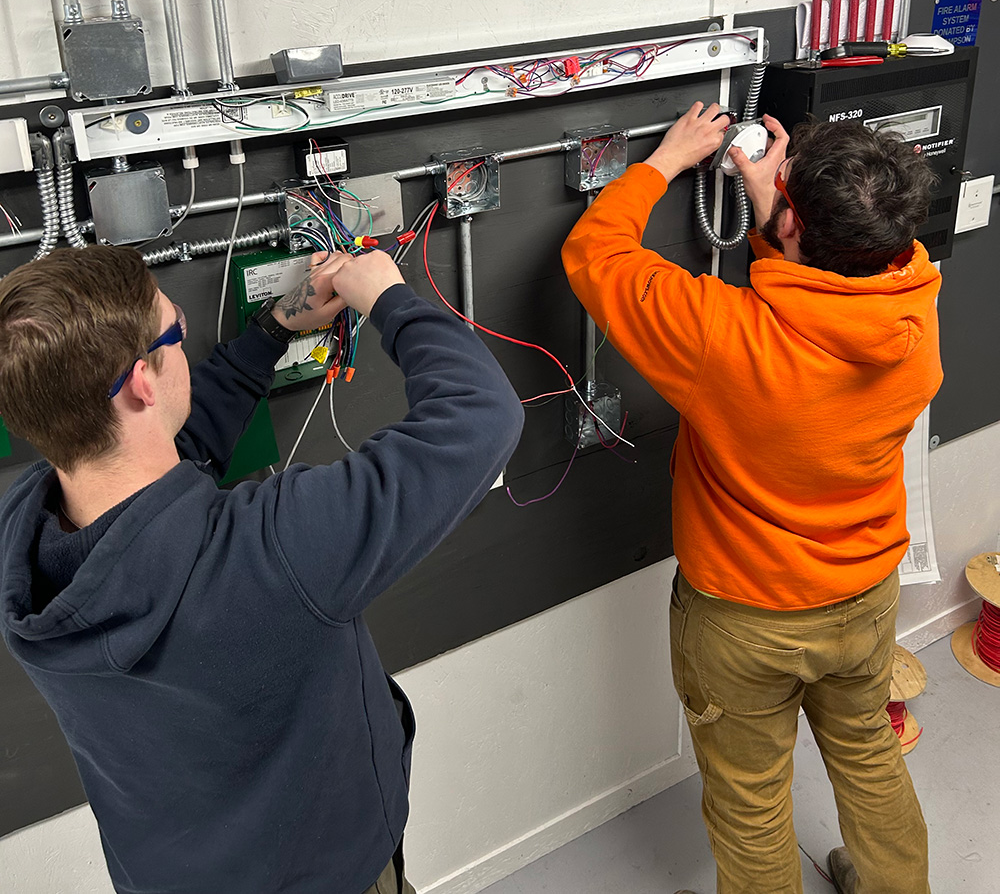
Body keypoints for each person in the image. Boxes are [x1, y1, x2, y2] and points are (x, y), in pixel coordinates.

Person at [0, 243, 524, 894]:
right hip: (329, 875)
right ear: (141, 382)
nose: (184, 332)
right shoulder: (276, 546)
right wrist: (388, 297)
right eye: (175, 330)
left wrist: (271, 332)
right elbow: (483, 415)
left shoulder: (20, 539)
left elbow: (154, 466)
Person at [562, 101, 941, 894]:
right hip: (864, 594)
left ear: (797, 222)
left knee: (751, 799)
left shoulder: (719, 336)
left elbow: (594, 251)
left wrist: (666, 160)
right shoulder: (911, 298)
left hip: (745, 615)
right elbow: (830, 282)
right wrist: (778, 203)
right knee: (868, 753)